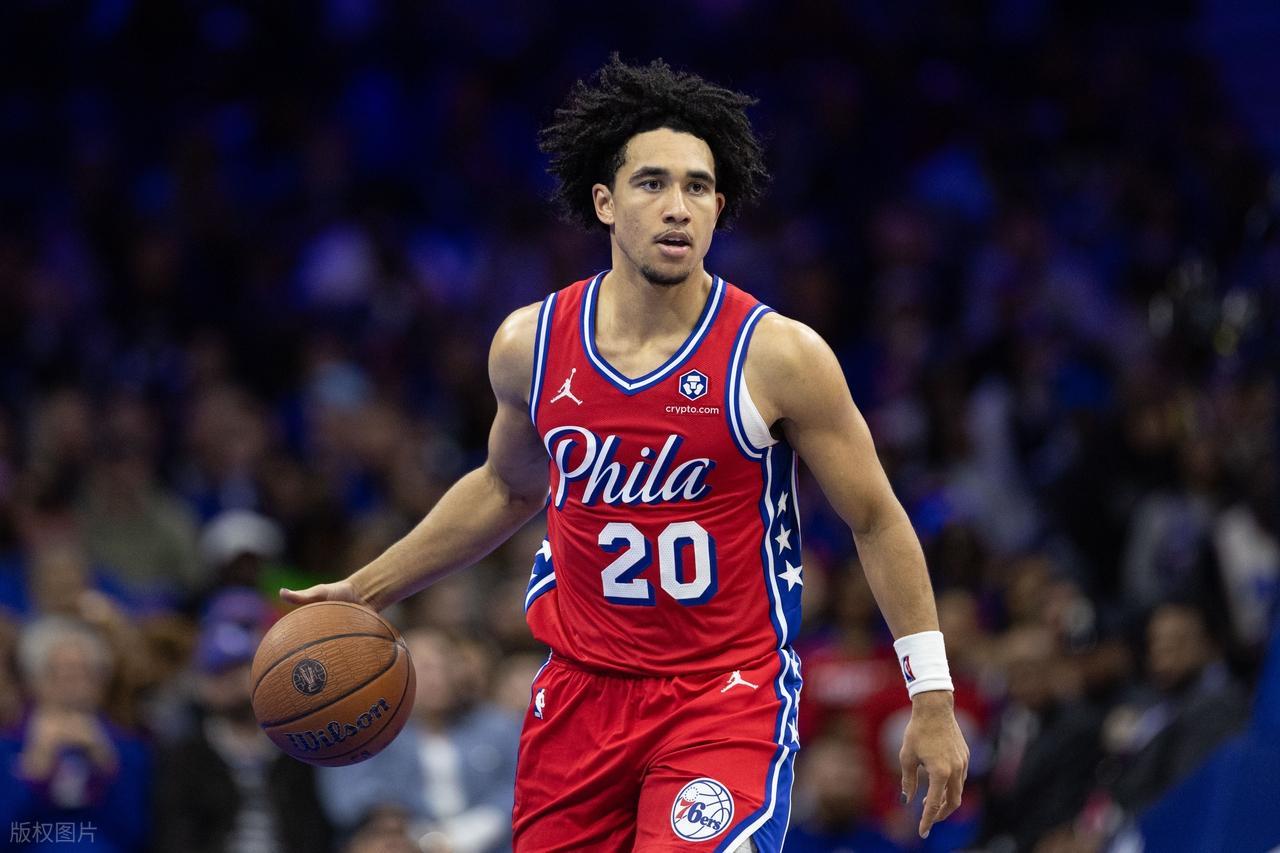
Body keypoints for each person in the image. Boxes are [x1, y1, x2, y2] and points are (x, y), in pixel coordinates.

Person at [283, 55, 969, 851]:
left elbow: (876, 517)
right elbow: (506, 488)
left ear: (718, 208)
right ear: (604, 201)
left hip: (723, 694)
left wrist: (932, 693)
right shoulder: (530, 344)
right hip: (581, 694)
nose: (678, 206)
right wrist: (365, 590)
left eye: (698, 187)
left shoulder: (778, 355)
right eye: (652, 183)